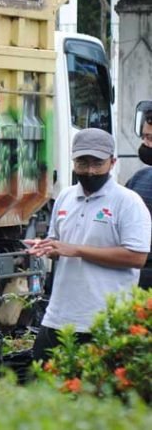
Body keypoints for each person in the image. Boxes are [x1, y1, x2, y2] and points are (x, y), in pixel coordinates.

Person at [28, 128, 151, 360]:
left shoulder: (128, 202)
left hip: (105, 320)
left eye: (98, 163)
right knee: (41, 389)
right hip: (59, 317)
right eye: (82, 163)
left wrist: (75, 250)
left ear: (112, 162)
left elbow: (137, 257)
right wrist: (47, 247)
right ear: (73, 161)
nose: (90, 171)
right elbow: (59, 244)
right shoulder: (64, 197)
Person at [126, 111, 152, 287]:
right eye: (144, 137)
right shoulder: (139, 179)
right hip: (138, 280)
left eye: (150, 138)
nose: (145, 144)